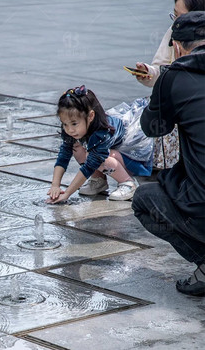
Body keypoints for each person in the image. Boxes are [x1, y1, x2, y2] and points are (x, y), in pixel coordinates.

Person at [132, 11, 205, 296]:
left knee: (144, 200)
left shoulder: (174, 77)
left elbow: (152, 127)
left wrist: (163, 83)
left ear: (176, 47)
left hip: (201, 208)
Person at [47, 86, 153, 203]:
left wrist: (67, 193)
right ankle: (98, 180)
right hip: (111, 154)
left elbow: (90, 164)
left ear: (91, 116)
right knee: (76, 148)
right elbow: (64, 155)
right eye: (65, 124)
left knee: (95, 157)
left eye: (74, 124)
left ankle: (127, 183)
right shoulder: (71, 129)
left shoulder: (102, 132)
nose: (69, 130)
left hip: (131, 157)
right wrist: (55, 185)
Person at [133, 0, 205, 170]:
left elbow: (150, 126)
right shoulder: (174, 30)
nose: (175, 21)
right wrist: (149, 72)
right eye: (174, 15)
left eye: (180, 16)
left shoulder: (173, 77)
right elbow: (159, 70)